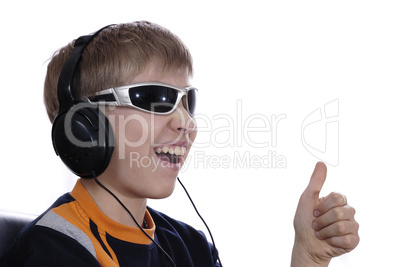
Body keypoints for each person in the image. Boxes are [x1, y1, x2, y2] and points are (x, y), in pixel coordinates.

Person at [0, 21, 359, 267]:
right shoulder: (55, 249)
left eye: (189, 101)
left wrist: (307, 258)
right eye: (156, 99)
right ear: (84, 126)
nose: (186, 122)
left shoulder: (190, 246)